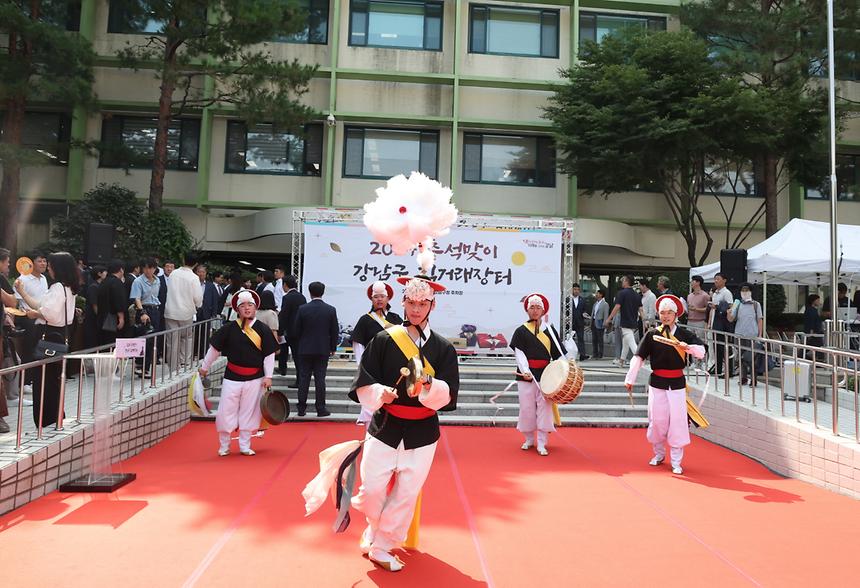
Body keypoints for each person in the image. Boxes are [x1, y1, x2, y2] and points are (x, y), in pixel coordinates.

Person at [349, 274, 459, 572]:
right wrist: (378, 392)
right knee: (372, 489)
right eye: (411, 303)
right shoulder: (384, 339)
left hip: (423, 431)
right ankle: (374, 527)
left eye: (422, 304)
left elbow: (449, 394)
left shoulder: (444, 348)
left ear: (432, 305)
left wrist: (430, 385)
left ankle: (383, 545)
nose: (416, 309)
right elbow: (364, 379)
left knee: (406, 493)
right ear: (403, 303)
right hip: (385, 424)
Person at [624, 294, 705, 475]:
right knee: (657, 420)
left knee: (677, 421)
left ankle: (676, 461)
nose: (666, 316)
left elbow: (701, 351)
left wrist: (687, 347)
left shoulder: (684, 334)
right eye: (662, 313)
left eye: (669, 313)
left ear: (676, 315)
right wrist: (630, 379)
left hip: (677, 384)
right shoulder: (652, 334)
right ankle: (659, 454)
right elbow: (638, 357)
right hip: (657, 383)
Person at [198, 289, 277, 456]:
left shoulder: (262, 329)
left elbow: (269, 355)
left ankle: (245, 445)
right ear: (237, 309)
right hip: (232, 377)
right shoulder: (228, 328)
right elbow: (214, 349)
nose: (247, 308)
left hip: (255, 378)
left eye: (250, 305)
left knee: (249, 411)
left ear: (255, 308)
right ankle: (224, 445)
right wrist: (204, 367)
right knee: (226, 410)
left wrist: (268, 376)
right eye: (243, 305)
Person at [15, 252, 80, 427]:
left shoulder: (58, 287)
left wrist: (34, 314)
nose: (48, 268)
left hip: (48, 334)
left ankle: (46, 420)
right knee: (52, 380)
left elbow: (47, 313)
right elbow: (42, 305)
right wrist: (22, 292)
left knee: (43, 380)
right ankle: (55, 417)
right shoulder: (68, 287)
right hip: (60, 335)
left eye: (50, 265)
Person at [510, 293, 566, 456]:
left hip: (546, 375)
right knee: (526, 407)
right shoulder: (521, 331)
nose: (535, 311)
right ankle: (529, 438)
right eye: (532, 307)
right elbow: (519, 353)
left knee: (544, 408)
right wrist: (525, 371)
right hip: (526, 375)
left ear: (543, 310)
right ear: (527, 310)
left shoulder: (550, 330)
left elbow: (558, 355)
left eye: (538, 307)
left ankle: (542, 441)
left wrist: (564, 371)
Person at [351, 281, 403, 426]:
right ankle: (370, 431)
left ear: (388, 298)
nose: (379, 300)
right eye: (376, 297)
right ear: (371, 299)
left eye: (382, 296)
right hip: (372, 366)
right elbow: (358, 344)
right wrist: (362, 365)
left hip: (392, 366)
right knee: (372, 398)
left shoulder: (396, 319)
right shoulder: (365, 320)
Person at [293, 281, 339, 417]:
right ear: (323, 292)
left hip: (305, 349)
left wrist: (300, 344)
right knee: (320, 379)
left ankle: (301, 408)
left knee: (304, 379)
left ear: (310, 292)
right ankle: (321, 408)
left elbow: (296, 330)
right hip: (322, 349)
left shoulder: (302, 309)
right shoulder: (330, 309)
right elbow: (334, 330)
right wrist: (333, 347)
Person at [164, 252, 203, 370]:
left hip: (171, 311)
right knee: (187, 338)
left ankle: (173, 368)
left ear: (183, 259)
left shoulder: (173, 274)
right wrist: (198, 305)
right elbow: (198, 297)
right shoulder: (194, 278)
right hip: (186, 312)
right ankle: (185, 364)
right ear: (196, 264)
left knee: (172, 341)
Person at [130, 259, 161, 377]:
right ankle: (139, 365)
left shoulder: (157, 280)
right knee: (143, 339)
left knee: (152, 340)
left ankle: (146, 367)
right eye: (145, 268)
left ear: (155, 268)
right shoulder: (138, 281)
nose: (148, 270)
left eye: (151, 268)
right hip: (143, 309)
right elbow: (136, 298)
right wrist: (142, 312)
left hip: (155, 309)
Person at [728, 282, 763, 386]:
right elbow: (731, 319)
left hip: (752, 335)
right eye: (742, 290)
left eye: (747, 290)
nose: (744, 292)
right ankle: (743, 377)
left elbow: (760, 320)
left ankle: (753, 379)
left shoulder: (756, 304)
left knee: (752, 358)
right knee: (740, 357)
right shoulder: (738, 304)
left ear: (751, 291)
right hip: (739, 334)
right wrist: (729, 313)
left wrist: (760, 334)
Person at [606, 275, 643, 367]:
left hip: (625, 322)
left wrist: (609, 318)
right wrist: (645, 320)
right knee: (626, 342)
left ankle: (640, 361)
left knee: (632, 343)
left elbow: (617, 307)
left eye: (623, 280)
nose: (622, 282)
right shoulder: (637, 295)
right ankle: (621, 361)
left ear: (626, 281)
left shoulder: (621, 293)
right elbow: (641, 310)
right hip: (634, 322)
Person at [278, 274, 306, 380]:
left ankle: (283, 369)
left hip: (290, 331)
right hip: (300, 331)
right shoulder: (301, 297)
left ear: (285, 284)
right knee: (298, 357)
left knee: (288, 352)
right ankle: (300, 379)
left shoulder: (287, 298)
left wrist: (280, 332)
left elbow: (284, 316)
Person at [708, 272, 735, 377]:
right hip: (715, 322)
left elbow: (730, 307)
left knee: (725, 348)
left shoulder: (726, 293)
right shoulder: (715, 293)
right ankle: (718, 368)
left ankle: (729, 370)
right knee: (717, 347)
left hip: (723, 324)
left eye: (718, 279)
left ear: (724, 280)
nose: (716, 281)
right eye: (715, 279)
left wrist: (717, 307)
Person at [96, 259, 126, 346]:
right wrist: (121, 317)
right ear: (121, 270)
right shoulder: (117, 283)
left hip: (102, 318)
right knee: (113, 344)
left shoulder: (103, 282)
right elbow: (118, 301)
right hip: (112, 319)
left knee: (104, 344)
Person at [569, 283, 589, 360]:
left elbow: (584, 310)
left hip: (580, 322)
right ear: (572, 290)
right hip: (570, 323)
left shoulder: (582, 300)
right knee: (570, 338)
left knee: (581, 338)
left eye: (578, 290)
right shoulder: (568, 299)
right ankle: (570, 354)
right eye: (575, 289)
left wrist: (585, 314)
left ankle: (582, 355)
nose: (576, 291)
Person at [590, 289, 608, 359]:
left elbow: (606, 314)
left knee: (600, 339)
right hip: (594, 321)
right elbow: (593, 313)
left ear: (601, 295)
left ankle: (600, 354)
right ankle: (595, 353)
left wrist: (605, 323)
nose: (596, 295)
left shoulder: (605, 304)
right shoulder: (595, 303)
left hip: (600, 322)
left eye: (597, 293)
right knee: (594, 339)